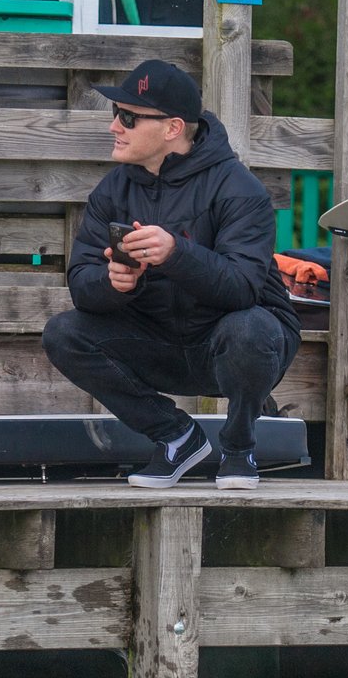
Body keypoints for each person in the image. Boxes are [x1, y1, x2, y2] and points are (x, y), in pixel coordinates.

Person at [42, 59, 300, 490]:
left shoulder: (240, 189)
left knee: (250, 327)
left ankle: (240, 448)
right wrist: (114, 284)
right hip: (157, 341)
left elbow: (242, 288)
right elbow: (82, 284)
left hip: (233, 346)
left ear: (173, 128)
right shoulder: (111, 190)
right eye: (116, 113)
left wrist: (176, 253)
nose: (114, 126)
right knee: (63, 333)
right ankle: (176, 437)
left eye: (128, 117)